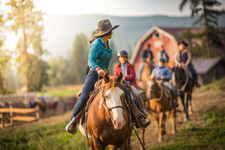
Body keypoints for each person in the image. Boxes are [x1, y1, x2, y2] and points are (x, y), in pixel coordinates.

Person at [65, 19, 150, 135]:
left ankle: (138, 117)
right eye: (111, 31)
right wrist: (98, 68)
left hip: (105, 75)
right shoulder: (96, 44)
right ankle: (72, 122)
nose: (112, 33)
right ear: (106, 33)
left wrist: (104, 71)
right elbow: (91, 60)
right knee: (84, 96)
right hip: (94, 74)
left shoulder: (107, 42)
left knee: (124, 91)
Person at [114, 50, 148, 115]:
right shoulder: (117, 67)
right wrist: (118, 79)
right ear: (119, 58)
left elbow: (133, 76)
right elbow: (115, 76)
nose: (123, 59)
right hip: (120, 84)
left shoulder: (131, 66)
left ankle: (142, 109)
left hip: (130, 84)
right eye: (121, 57)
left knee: (137, 93)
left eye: (124, 57)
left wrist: (125, 78)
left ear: (126, 58)